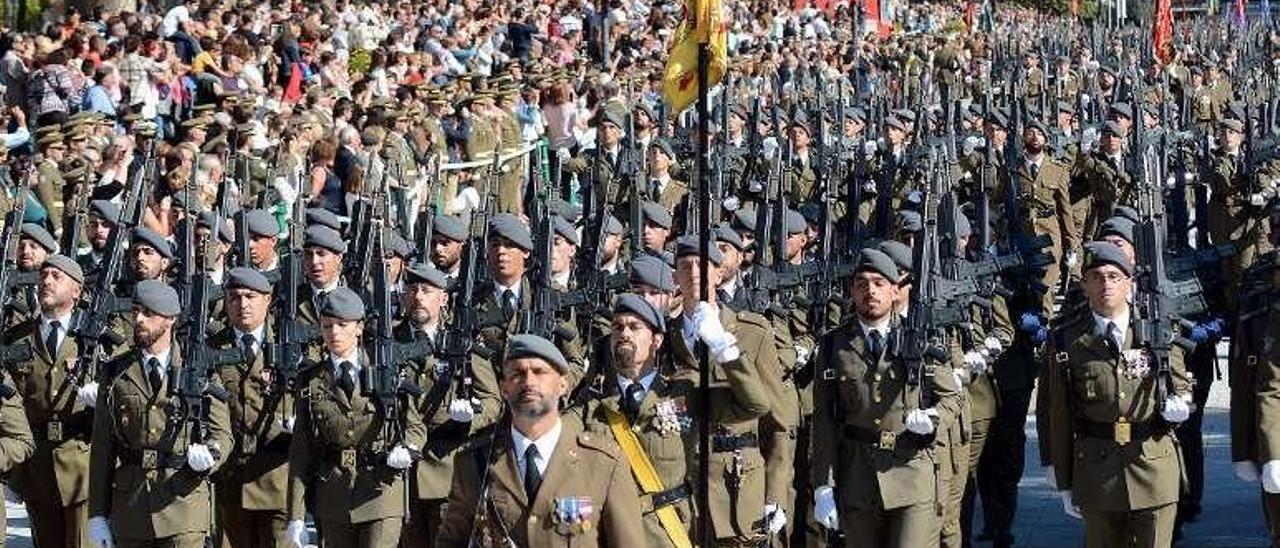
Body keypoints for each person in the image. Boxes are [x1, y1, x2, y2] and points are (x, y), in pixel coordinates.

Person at [809, 248, 962, 548]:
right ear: (851, 291)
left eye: (879, 283)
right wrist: (823, 486)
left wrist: (933, 420)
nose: (870, 291)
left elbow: (951, 398)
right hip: (857, 475)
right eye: (862, 284)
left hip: (912, 470)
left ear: (895, 290)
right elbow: (824, 420)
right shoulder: (832, 346)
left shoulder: (920, 338)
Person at [1042, 242, 1191, 547]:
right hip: (1097, 473)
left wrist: (1183, 403)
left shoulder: (1157, 329)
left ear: (1129, 284)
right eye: (1096, 276)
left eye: (1114, 276)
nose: (1105, 284)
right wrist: (1064, 479)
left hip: (1153, 467)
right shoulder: (1067, 339)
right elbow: (1059, 413)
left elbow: (1180, 384)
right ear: (1084, 286)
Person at [437, 333, 646, 546]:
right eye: (517, 373)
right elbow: (451, 542)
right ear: (504, 388)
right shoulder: (473, 461)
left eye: (540, 372)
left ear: (563, 384)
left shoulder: (603, 464)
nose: (529, 382)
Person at [87, 280, 233, 547]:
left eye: (148, 313)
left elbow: (222, 434)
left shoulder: (197, 369)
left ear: (170, 320)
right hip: (131, 510)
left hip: (183, 509)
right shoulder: (116, 373)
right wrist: (97, 514)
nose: (138, 319)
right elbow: (102, 449)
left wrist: (211, 455)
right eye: (135, 311)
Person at [285, 287, 425, 548]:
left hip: (381, 490)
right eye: (327, 326)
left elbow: (414, 426)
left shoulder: (386, 370)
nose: (334, 333)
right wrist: (296, 516)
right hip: (333, 496)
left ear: (359, 327)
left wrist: (407, 448)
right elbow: (302, 450)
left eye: (342, 325)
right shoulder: (311, 379)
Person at [5, 255, 95, 547]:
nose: (46, 281)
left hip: (82, 464)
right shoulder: (16, 340)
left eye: (57, 276)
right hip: (36, 468)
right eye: (44, 275)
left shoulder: (93, 339)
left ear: (76, 291)